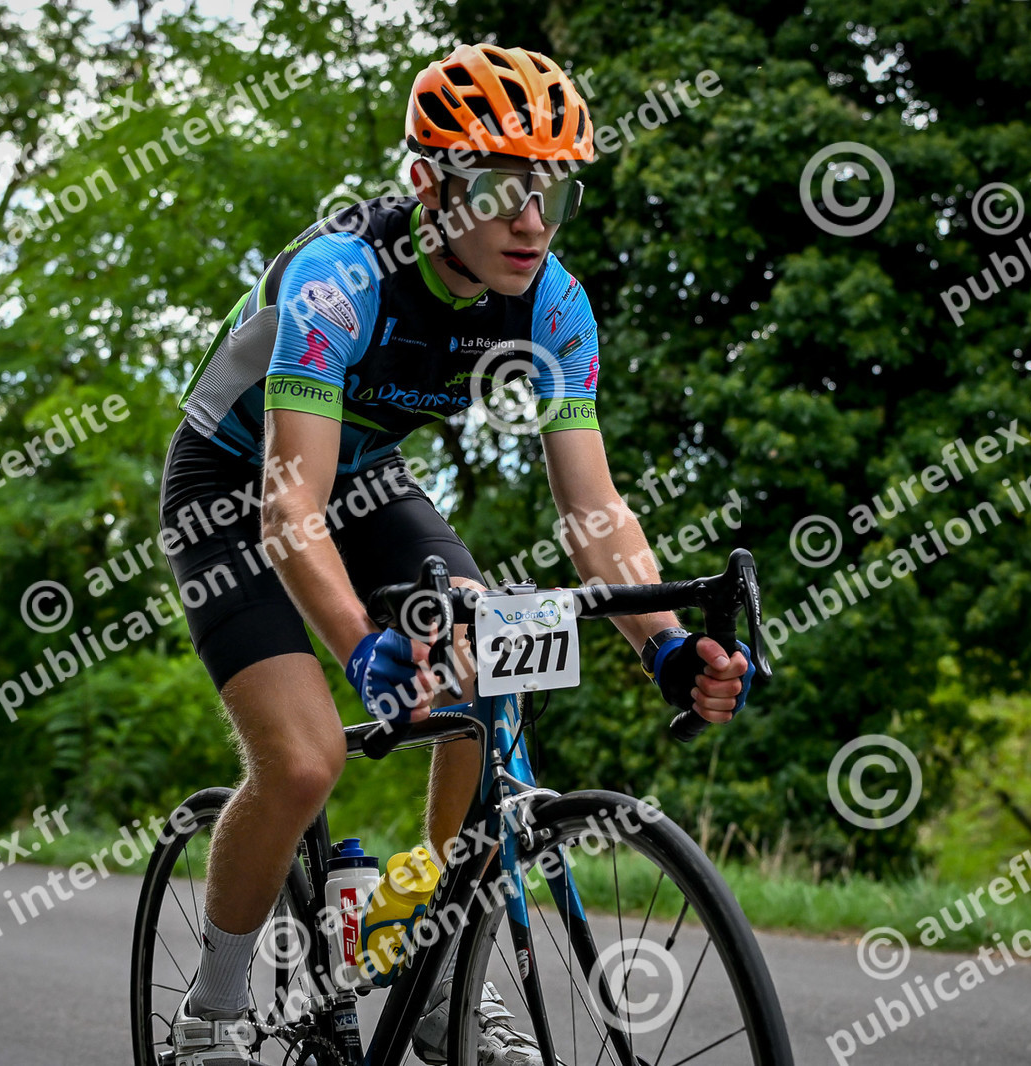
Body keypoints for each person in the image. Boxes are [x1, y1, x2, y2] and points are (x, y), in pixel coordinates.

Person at [159, 42, 754, 1065]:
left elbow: (594, 508)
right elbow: (289, 501)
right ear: (430, 185)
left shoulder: (553, 303)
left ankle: (436, 969)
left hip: (367, 479)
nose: (532, 222)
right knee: (304, 760)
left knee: (489, 651)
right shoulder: (343, 278)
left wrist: (662, 643)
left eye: (552, 194)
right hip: (233, 482)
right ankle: (211, 1010)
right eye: (501, 190)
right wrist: (363, 648)